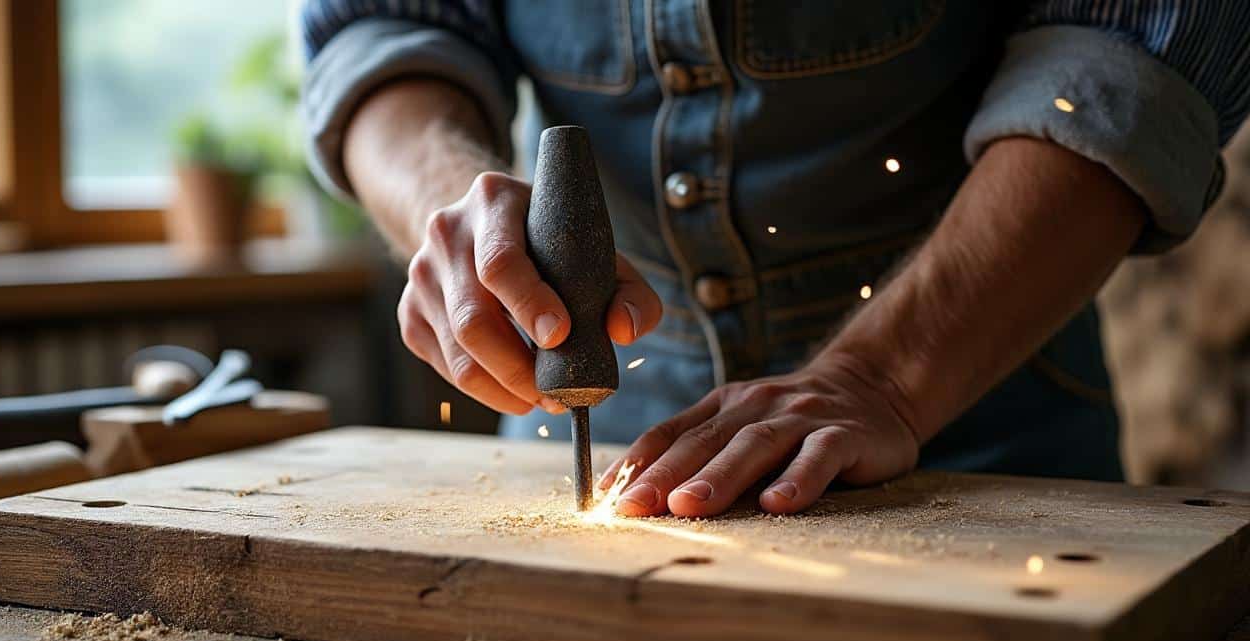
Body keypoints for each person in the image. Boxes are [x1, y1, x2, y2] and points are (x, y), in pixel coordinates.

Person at [300, 2, 1250, 518]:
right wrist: (446, 200)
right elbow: (382, 26)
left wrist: (883, 379)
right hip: (603, 448)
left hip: (980, 428)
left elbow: (1130, 57)